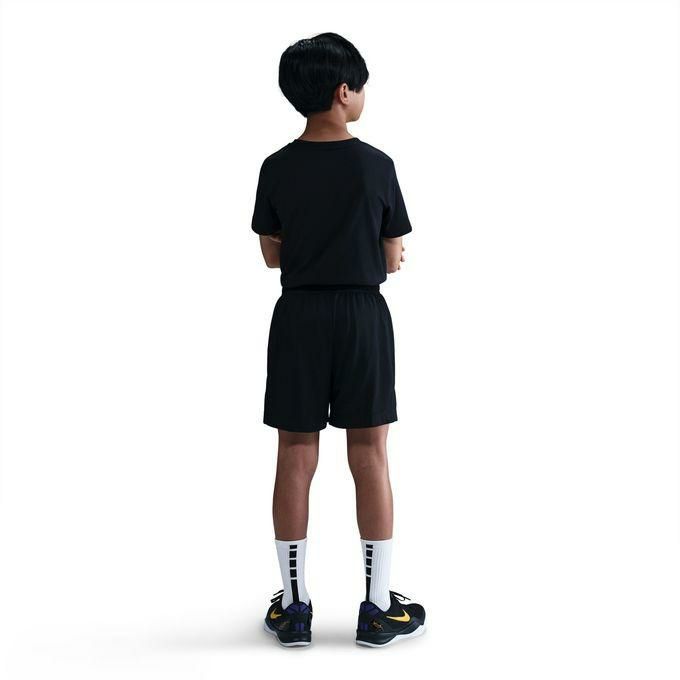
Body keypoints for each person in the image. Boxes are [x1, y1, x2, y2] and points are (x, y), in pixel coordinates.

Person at [251, 32, 425, 648]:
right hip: (361, 316)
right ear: (344, 91)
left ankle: (294, 607)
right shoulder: (377, 165)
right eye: (362, 86)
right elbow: (393, 256)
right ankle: (376, 609)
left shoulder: (275, 167)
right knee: (369, 454)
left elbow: (272, 254)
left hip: (298, 317)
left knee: (295, 455)